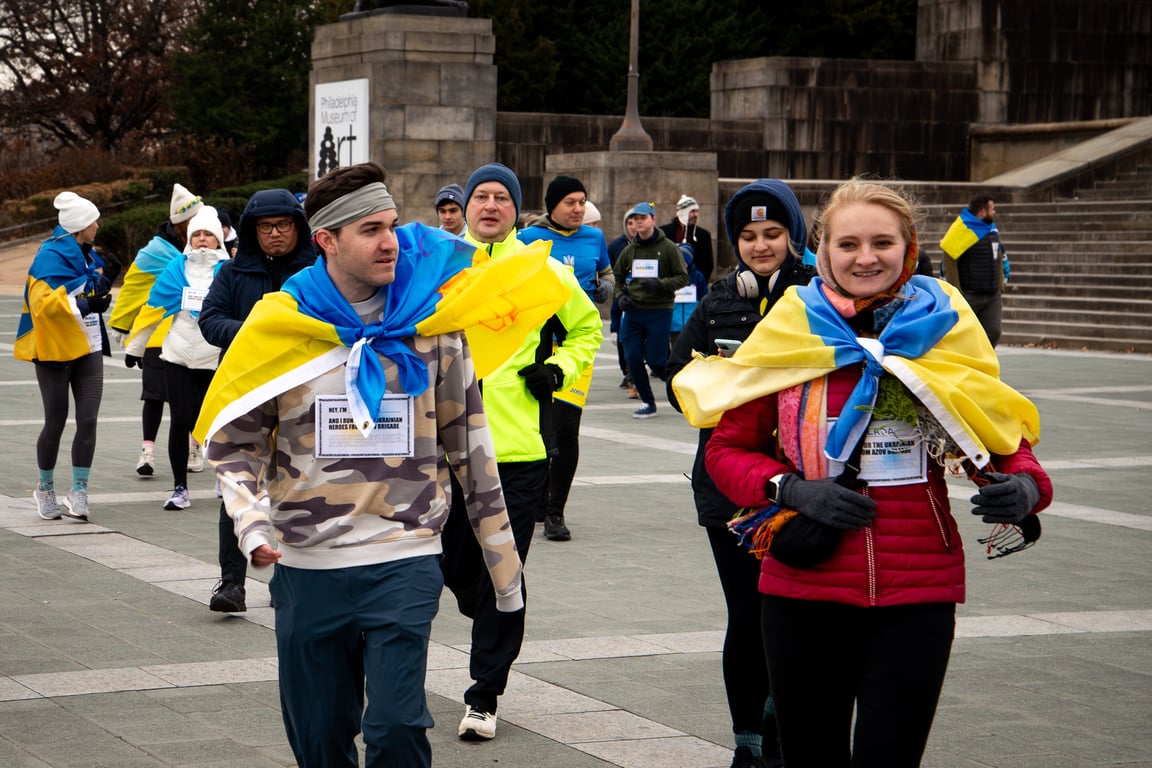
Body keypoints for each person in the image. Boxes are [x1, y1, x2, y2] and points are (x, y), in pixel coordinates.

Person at [673, 178, 1053, 767]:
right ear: (823, 250)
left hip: (918, 585)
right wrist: (791, 488)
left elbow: (1001, 429)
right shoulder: (791, 328)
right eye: (849, 244)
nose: (866, 257)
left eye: (882, 242)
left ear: (909, 247)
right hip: (804, 583)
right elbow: (727, 452)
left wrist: (1028, 485)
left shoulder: (944, 324)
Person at [194, 162, 546, 768]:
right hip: (306, 567)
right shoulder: (281, 327)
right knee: (321, 736)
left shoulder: (432, 327)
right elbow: (235, 445)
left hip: (403, 557)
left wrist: (504, 572)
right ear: (326, 240)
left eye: (391, 225)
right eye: (369, 230)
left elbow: (471, 450)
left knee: (397, 728)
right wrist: (251, 526)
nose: (391, 241)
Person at [441, 162, 601, 740]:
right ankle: (481, 608)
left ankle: (484, 694)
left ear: (515, 209)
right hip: (441, 451)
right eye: (480, 196)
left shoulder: (542, 268)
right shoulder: (436, 263)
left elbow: (587, 330)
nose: (490, 206)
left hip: (516, 448)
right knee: (454, 567)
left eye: (501, 198)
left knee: (504, 574)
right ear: (465, 205)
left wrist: (555, 369)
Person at [665, 179, 816, 768]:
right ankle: (748, 742)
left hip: (805, 482)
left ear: (793, 239)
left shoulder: (818, 297)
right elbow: (678, 378)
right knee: (746, 612)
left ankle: (784, 722)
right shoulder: (720, 299)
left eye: (773, 234)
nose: (760, 245)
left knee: (793, 609)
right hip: (726, 482)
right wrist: (728, 390)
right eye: (749, 236)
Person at [197, 188, 317, 613]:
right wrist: (254, 334)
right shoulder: (232, 272)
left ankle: (289, 578)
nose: (275, 234)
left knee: (301, 484)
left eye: (283, 225)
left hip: (304, 393)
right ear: (252, 231)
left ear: (297, 226)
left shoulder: (318, 268)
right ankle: (232, 582)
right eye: (265, 227)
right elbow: (210, 321)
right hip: (246, 390)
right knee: (236, 482)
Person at [518, 175, 614, 541]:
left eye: (582, 202)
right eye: (570, 202)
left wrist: (605, 288)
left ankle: (556, 510)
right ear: (552, 205)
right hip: (539, 344)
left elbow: (606, 272)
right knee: (541, 426)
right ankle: (538, 499)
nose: (578, 209)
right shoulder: (529, 239)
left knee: (566, 428)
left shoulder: (594, 238)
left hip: (578, 344)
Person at [16, 192, 113, 522]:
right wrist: (87, 304)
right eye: (94, 221)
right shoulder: (50, 256)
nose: (98, 225)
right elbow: (43, 304)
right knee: (55, 421)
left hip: (89, 346)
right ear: (81, 226)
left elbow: (88, 286)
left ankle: (79, 490)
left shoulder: (86, 254)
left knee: (87, 420)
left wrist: (103, 282)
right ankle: (44, 488)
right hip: (54, 350)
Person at [125, 207, 229, 511]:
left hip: (215, 357)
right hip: (177, 355)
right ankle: (180, 487)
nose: (202, 240)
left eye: (208, 234)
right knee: (180, 420)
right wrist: (136, 346)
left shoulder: (229, 270)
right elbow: (155, 306)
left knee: (217, 423)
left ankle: (223, 477)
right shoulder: (175, 267)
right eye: (197, 234)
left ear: (218, 238)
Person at [110, 183, 206, 477]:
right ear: (183, 224)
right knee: (153, 395)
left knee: (194, 398)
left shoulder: (209, 250)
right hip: (158, 334)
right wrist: (122, 324)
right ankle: (147, 452)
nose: (201, 231)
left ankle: (193, 447)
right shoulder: (155, 251)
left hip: (197, 334)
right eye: (195, 224)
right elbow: (134, 285)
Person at [613, 201, 689, 419]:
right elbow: (617, 277)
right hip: (634, 311)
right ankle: (648, 402)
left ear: (653, 220)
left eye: (643, 218)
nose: (638, 223)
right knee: (633, 357)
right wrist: (620, 297)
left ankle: (683, 390)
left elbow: (684, 277)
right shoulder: (630, 250)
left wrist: (661, 284)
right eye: (634, 220)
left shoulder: (668, 248)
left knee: (657, 360)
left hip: (659, 311)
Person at [940, 194, 1006, 346]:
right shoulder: (961, 229)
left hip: (992, 294)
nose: (994, 212)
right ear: (982, 212)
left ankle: (984, 364)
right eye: (992, 209)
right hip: (970, 295)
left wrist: (1000, 285)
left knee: (993, 331)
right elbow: (949, 263)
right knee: (962, 334)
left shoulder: (991, 230)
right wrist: (957, 293)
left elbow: (998, 257)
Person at [607, 214, 638, 394]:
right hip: (622, 294)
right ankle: (626, 372)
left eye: (636, 222)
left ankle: (633, 376)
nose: (633, 226)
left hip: (643, 297)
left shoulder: (650, 246)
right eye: (629, 222)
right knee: (620, 337)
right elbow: (610, 270)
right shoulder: (617, 245)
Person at [661, 193, 715, 283]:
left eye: (697, 211)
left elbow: (708, 264)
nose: (696, 215)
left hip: (693, 285)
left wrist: (700, 282)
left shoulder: (703, 235)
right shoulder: (664, 233)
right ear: (682, 212)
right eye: (692, 211)